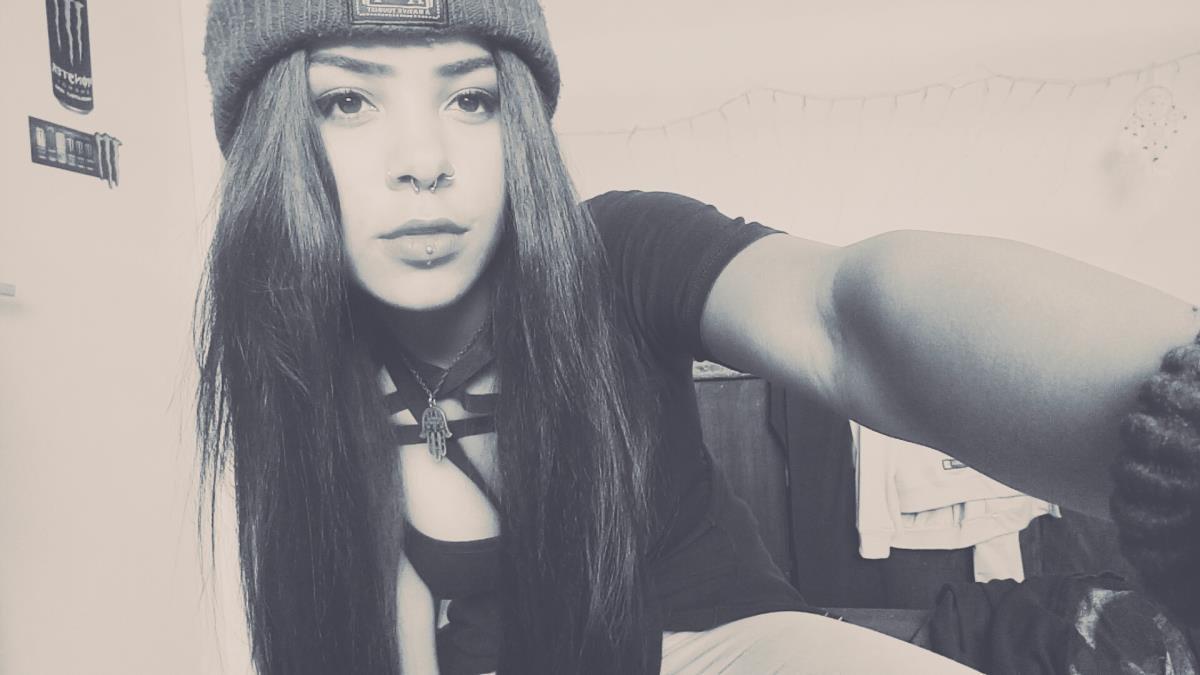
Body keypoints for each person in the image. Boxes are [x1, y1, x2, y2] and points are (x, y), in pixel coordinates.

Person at [196, 1, 1200, 674]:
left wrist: (1176, 416)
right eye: (346, 100)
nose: (424, 159)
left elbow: (843, 318)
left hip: (730, 643)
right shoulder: (301, 365)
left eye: (471, 97)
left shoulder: (619, 250)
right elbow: (384, 619)